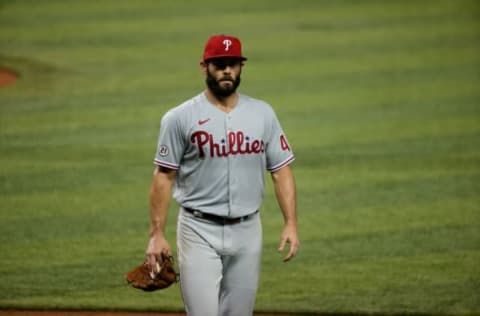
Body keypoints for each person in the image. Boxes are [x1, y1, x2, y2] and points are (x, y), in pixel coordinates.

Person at [145, 34, 299, 316]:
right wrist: (156, 234)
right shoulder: (179, 118)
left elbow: (281, 171)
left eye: (232, 64)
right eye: (219, 64)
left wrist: (291, 222)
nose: (226, 70)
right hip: (198, 229)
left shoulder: (263, 113)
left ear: (241, 67)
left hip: (248, 230)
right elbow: (163, 177)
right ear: (205, 67)